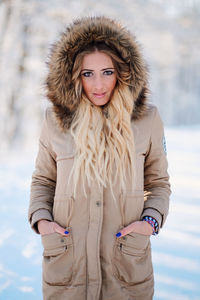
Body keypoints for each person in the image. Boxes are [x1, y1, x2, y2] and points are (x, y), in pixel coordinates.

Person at [28, 16, 171, 300]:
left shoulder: (147, 120)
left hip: (126, 269)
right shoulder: (55, 121)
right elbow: (43, 180)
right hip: (68, 269)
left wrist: (150, 222)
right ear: (72, 76)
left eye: (107, 72)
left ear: (123, 72)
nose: (98, 84)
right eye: (87, 74)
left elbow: (159, 184)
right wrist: (43, 222)